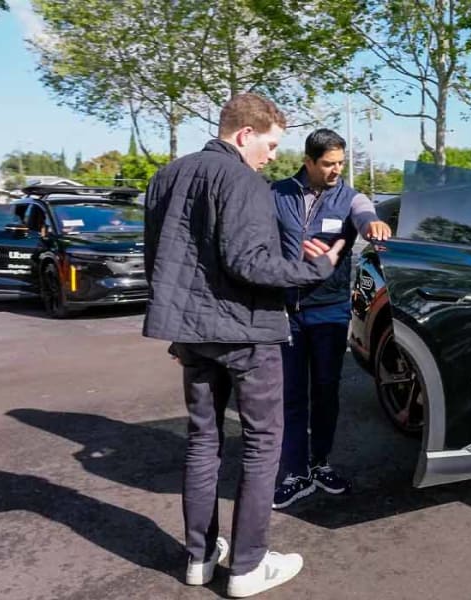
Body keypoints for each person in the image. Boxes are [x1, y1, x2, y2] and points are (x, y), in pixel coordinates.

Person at [142, 93, 348, 598]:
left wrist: (180, 327)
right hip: (246, 333)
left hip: (193, 333)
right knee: (261, 445)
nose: (272, 155)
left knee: (202, 440)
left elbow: (161, 258)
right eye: (271, 144)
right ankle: (249, 566)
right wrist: (315, 268)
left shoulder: (166, 177)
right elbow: (249, 264)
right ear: (244, 135)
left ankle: (200, 557)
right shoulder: (243, 179)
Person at [269, 129, 391, 509]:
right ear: (308, 162)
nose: (336, 170)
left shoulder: (350, 196)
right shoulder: (276, 194)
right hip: (285, 312)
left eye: (341, 163)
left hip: (330, 312)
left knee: (325, 391)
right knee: (291, 395)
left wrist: (374, 226)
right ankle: (294, 472)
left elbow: (365, 214)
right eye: (328, 164)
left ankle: (320, 462)